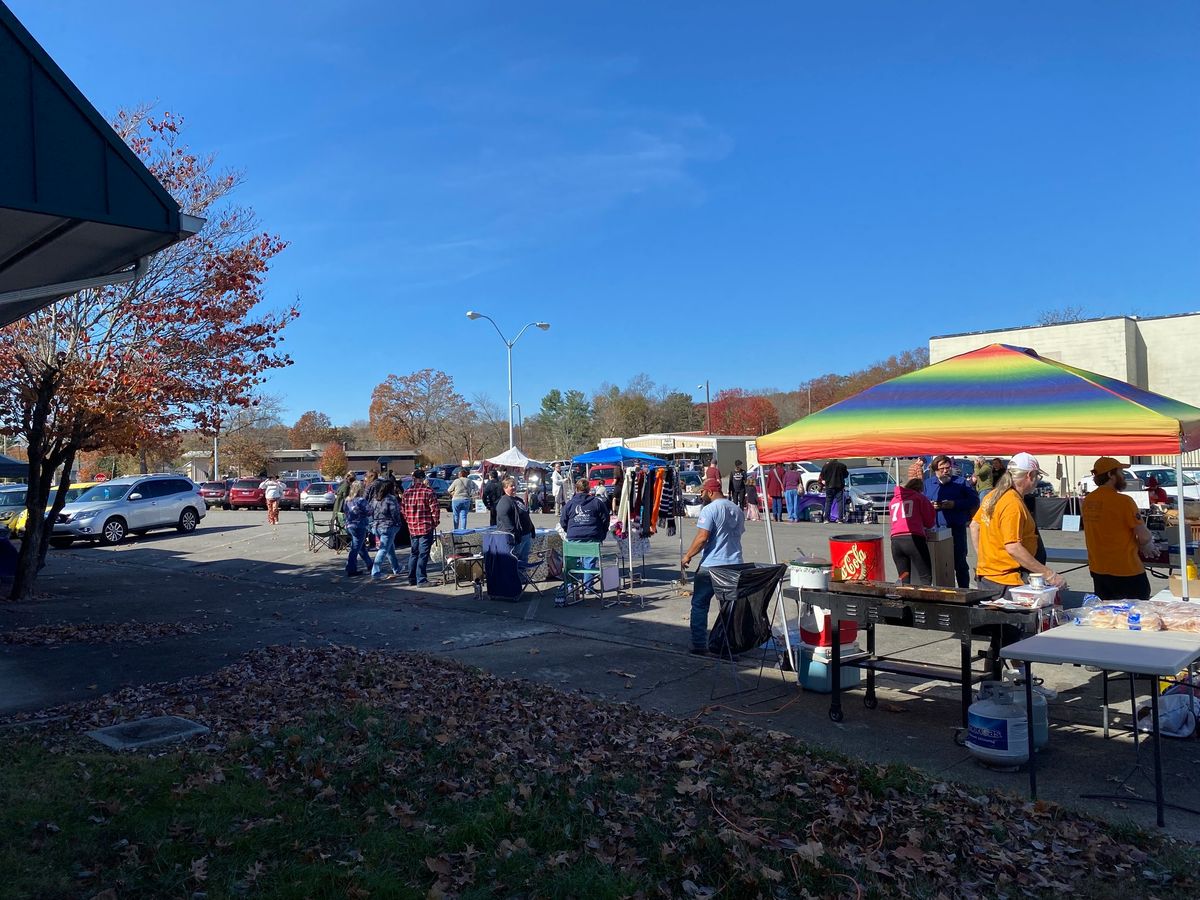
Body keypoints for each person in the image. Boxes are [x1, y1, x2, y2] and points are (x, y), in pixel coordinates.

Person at [970, 452, 1066, 595]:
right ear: (1030, 475)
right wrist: (1049, 575)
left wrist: (985, 560)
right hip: (1007, 583)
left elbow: (974, 526)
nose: (1037, 481)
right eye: (1037, 477)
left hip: (989, 577)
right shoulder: (1012, 504)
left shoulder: (993, 496)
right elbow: (1013, 547)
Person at [682, 478, 746, 655]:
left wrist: (688, 555)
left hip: (712, 565)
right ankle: (726, 647)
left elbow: (703, 537)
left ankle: (699, 644)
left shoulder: (710, 509)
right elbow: (738, 534)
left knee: (700, 604)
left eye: (703, 492)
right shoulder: (737, 509)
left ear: (710, 492)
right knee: (729, 608)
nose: (702, 496)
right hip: (734, 564)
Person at [1082, 457, 1154, 602]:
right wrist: (1146, 544)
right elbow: (1144, 536)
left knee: (1109, 617)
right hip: (1127, 570)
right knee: (1135, 617)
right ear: (1110, 475)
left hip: (1099, 570)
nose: (1123, 475)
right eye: (1120, 471)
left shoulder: (1088, 500)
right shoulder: (1124, 501)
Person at [922, 455, 980, 589]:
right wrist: (930, 506)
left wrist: (954, 504)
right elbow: (922, 502)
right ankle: (942, 591)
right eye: (941, 469)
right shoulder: (928, 484)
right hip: (936, 529)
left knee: (960, 562)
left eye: (947, 468)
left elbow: (974, 501)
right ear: (935, 470)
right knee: (939, 564)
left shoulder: (961, 482)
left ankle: (964, 590)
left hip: (956, 529)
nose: (945, 471)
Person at [557, 476, 611, 606]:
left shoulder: (570, 504)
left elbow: (562, 521)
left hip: (573, 538)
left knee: (571, 564)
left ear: (576, 489)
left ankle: (571, 587)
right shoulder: (597, 502)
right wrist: (602, 533)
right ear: (589, 489)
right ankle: (588, 587)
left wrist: (570, 531)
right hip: (592, 537)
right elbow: (605, 519)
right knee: (589, 563)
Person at [889, 477, 937, 585]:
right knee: (925, 576)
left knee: (903, 577)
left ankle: (904, 599)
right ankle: (925, 600)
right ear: (920, 489)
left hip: (896, 540)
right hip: (913, 539)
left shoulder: (894, 500)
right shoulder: (919, 497)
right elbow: (929, 522)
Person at [399, 469, 441, 586]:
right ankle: (421, 579)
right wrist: (435, 522)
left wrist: (409, 520)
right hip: (425, 526)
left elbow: (403, 510)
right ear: (423, 478)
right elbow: (435, 509)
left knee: (414, 553)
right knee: (423, 554)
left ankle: (412, 578)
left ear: (413, 478)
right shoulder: (428, 491)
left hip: (412, 527)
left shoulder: (407, 492)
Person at [368, 478, 403, 580]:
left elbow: (370, 513)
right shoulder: (390, 499)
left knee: (389, 548)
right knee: (383, 549)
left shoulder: (375, 499)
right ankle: (375, 571)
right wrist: (398, 524)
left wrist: (371, 525)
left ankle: (396, 567)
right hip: (388, 526)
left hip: (376, 526)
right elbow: (395, 513)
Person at [495, 476, 535, 563]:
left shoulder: (518, 500)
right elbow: (504, 517)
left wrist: (531, 527)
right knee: (515, 560)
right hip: (515, 537)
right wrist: (514, 533)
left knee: (524, 560)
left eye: (514, 485)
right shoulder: (504, 501)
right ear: (505, 488)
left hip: (526, 534)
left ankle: (523, 576)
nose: (514, 488)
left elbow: (525, 514)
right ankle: (515, 576)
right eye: (511, 486)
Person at [342, 480, 373, 577]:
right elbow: (369, 511)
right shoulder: (361, 500)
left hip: (350, 525)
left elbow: (344, 511)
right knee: (355, 548)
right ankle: (351, 568)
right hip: (359, 525)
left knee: (360, 546)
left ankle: (370, 564)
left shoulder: (347, 500)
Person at [819, 458, 849, 523]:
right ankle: (840, 519)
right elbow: (846, 475)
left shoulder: (826, 466)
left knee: (828, 502)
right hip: (839, 486)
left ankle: (826, 519)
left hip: (829, 486)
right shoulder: (842, 466)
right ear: (837, 458)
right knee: (840, 502)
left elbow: (822, 476)